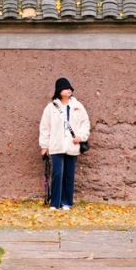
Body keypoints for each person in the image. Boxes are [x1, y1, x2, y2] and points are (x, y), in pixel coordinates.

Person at [39, 77, 90, 211]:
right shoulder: (51, 108)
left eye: (70, 88)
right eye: (66, 88)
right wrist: (44, 146)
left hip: (72, 145)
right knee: (57, 174)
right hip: (56, 145)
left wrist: (81, 137)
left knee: (69, 174)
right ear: (59, 91)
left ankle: (67, 202)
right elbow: (45, 127)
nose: (69, 90)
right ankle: (55, 203)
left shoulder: (78, 106)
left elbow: (85, 123)